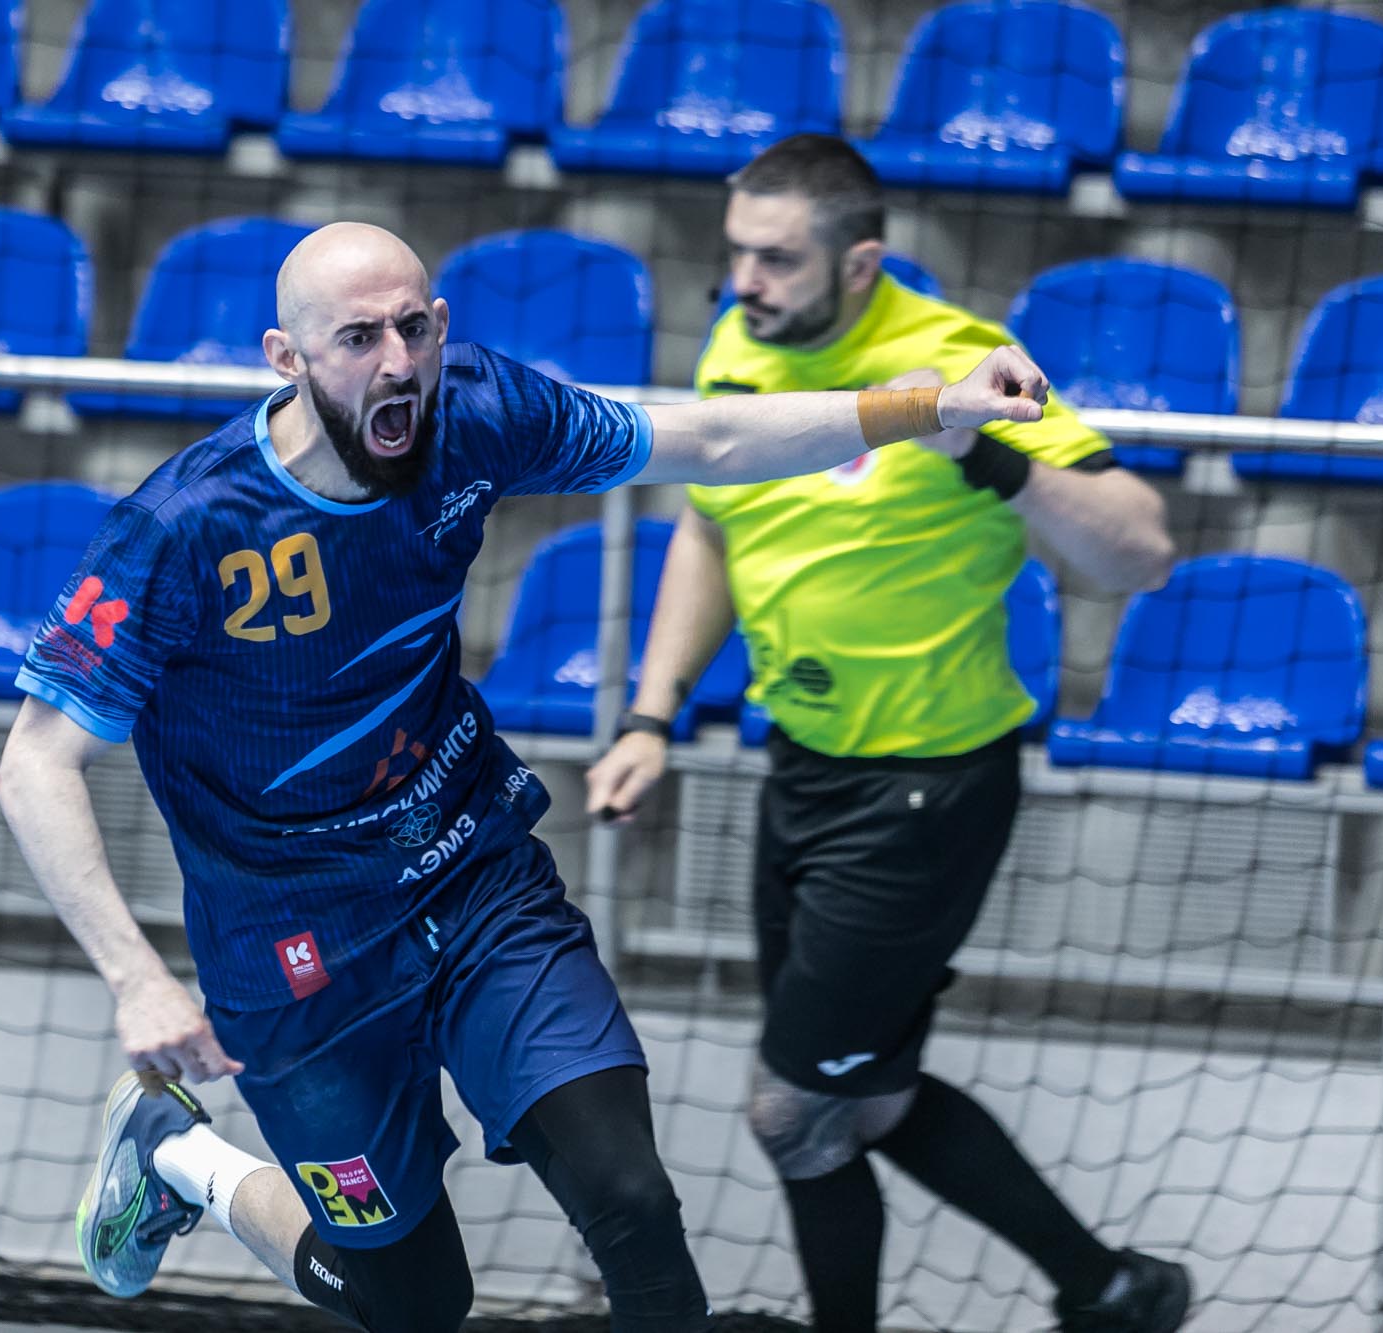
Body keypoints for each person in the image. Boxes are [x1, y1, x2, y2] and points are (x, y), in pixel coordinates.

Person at [0, 219, 1052, 1333]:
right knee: (410, 1304)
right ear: (286, 358)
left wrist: (931, 407)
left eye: (414, 328)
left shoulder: (477, 413)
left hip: (474, 880)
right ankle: (181, 1159)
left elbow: (711, 440)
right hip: (294, 953)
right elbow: (34, 763)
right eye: (357, 338)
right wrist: (135, 979)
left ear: (442, 326)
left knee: (630, 1199)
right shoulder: (182, 528)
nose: (397, 362)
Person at [583, 135, 1188, 1333]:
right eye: (737, 253)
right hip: (798, 768)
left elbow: (1140, 549)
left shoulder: (956, 359)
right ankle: (1113, 1289)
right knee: (859, 1099)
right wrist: (651, 717)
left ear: (859, 264)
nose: (743, 281)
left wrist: (988, 456)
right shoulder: (740, 341)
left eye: (774, 258)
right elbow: (710, 527)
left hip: (925, 788)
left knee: (788, 1110)